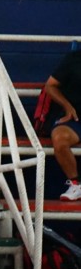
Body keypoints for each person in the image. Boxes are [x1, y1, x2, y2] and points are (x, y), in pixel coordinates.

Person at [41, 49, 81, 200]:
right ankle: (76, 185)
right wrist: (67, 106)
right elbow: (50, 85)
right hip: (75, 118)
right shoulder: (74, 58)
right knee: (59, 138)